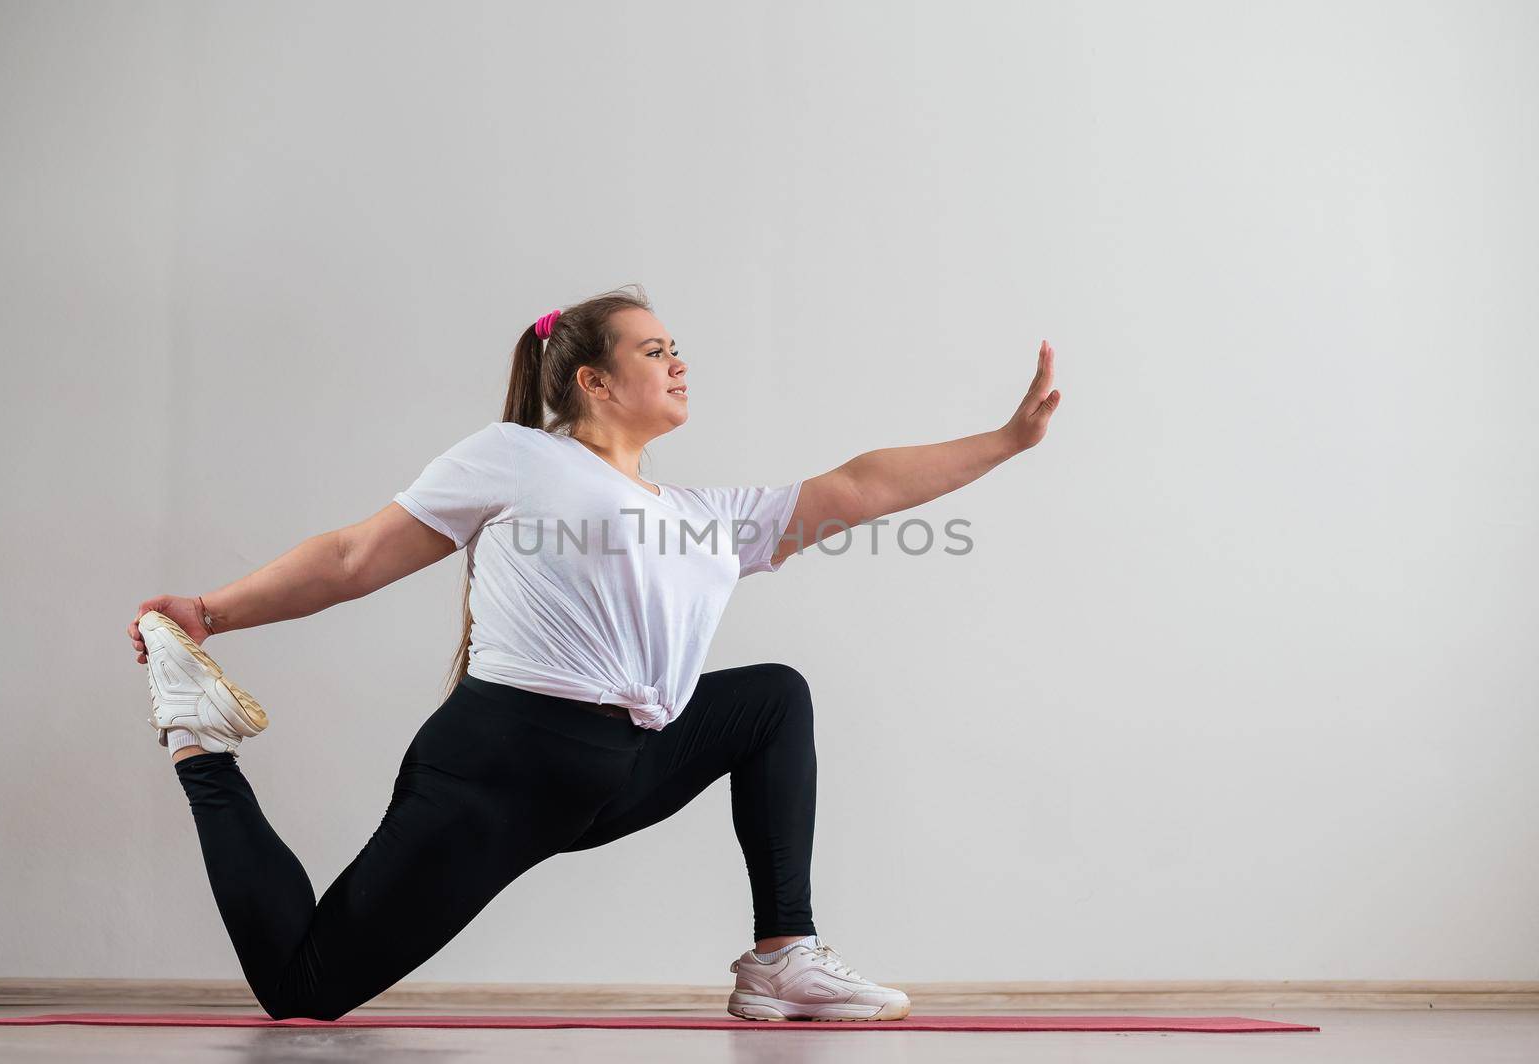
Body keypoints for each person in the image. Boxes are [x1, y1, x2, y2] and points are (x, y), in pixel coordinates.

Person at [125, 283, 1062, 1022]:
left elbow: (856, 486)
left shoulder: (699, 520)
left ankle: (783, 957)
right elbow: (353, 557)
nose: (679, 361)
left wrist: (1007, 442)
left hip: (611, 773)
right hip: (500, 766)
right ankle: (199, 741)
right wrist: (209, 611)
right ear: (594, 383)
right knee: (305, 987)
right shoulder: (519, 457)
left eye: (677, 347)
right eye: (655, 350)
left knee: (773, 698)